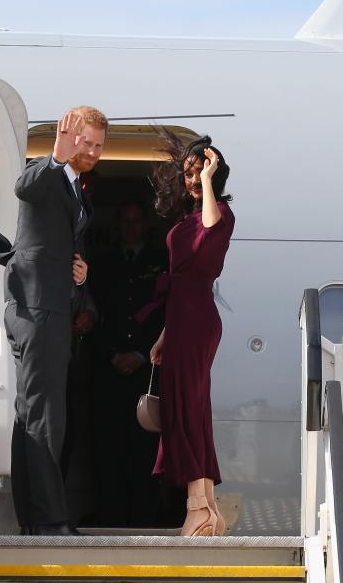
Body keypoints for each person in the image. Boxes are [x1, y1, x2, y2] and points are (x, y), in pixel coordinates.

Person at [0, 106, 107, 536]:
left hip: (53, 305)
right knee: (45, 416)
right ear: (68, 138)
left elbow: (57, 242)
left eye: (99, 145)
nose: (93, 151)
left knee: (32, 413)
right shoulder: (47, 175)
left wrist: (80, 274)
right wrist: (55, 157)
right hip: (37, 309)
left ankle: (33, 517)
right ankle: (49, 520)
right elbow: (24, 188)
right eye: (86, 142)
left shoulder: (77, 187)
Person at [148, 133, 234, 537]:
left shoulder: (219, 215)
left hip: (198, 318)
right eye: (188, 172)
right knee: (190, 409)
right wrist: (165, 334)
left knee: (186, 409)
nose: (192, 178)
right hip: (180, 319)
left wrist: (210, 180)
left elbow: (212, 232)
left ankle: (197, 509)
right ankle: (209, 511)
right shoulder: (185, 220)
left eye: (198, 170)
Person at [90, 201, 169, 526]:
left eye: (137, 220)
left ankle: (144, 518)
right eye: (126, 220)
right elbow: (94, 315)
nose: (131, 226)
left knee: (144, 447)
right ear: (118, 225)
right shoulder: (102, 264)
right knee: (108, 445)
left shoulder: (160, 262)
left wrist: (139, 353)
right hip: (108, 368)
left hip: (145, 369)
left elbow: (165, 313)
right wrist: (111, 354)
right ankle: (110, 516)